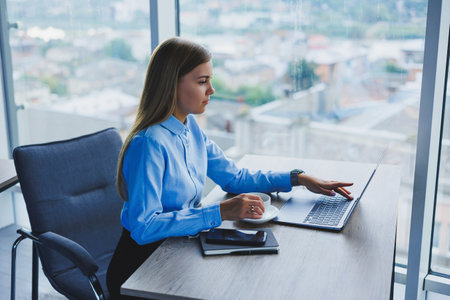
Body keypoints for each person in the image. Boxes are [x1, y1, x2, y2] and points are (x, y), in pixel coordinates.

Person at [106, 37, 353, 299]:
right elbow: (144, 227)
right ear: (171, 84)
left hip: (177, 249)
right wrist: (221, 211)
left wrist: (298, 178)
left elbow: (235, 178)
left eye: (210, 80)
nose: (211, 90)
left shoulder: (190, 129)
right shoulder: (149, 144)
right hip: (141, 269)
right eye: (202, 81)